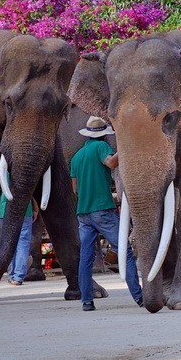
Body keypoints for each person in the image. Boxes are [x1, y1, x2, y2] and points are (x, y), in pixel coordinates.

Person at [70, 116, 142, 311]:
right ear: (103, 135)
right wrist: (126, 147)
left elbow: (75, 189)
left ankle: (86, 301)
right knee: (124, 251)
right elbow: (110, 163)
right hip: (102, 210)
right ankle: (139, 296)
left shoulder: (76, 157)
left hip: (83, 214)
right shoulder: (101, 148)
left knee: (85, 258)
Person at [0, 194, 35, 285]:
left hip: (5, 210)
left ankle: (11, 275)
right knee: (23, 243)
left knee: (9, 243)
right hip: (26, 210)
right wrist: (36, 209)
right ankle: (18, 276)